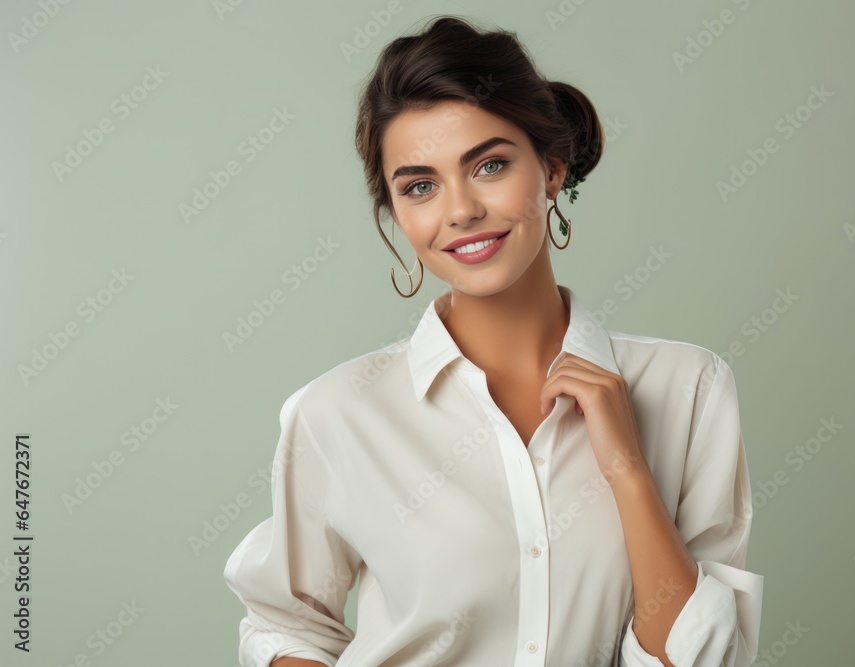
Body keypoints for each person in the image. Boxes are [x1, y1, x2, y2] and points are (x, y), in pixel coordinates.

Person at [224, 14, 764, 667]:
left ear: (552, 168)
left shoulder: (688, 388)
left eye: (489, 165)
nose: (460, 210)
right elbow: (286, 625)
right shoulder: (336, 412)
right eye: (420, 185)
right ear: (397, 213)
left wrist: (626, 466)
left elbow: (699, 657)